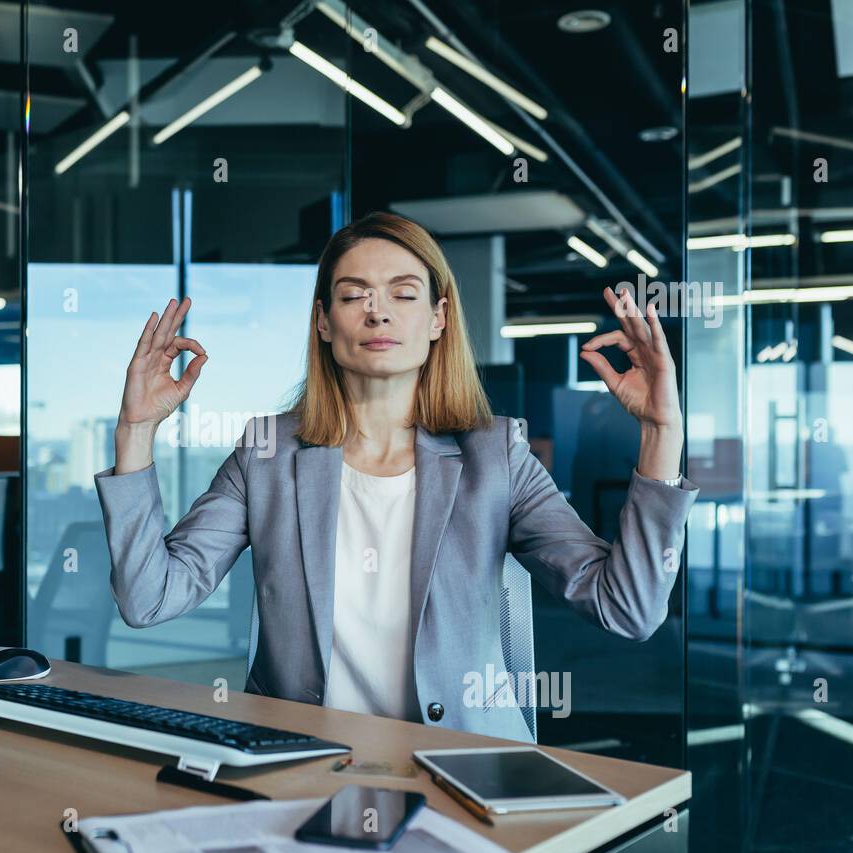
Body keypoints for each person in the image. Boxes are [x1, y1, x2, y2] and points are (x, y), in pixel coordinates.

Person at [94, 211, 698, 741]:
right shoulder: (268, 453)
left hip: (463, 772)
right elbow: (150, 600)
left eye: (403, 294)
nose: (377, 310)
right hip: (301, 764)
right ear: (325, 322)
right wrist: (136, 431)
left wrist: (660, 434)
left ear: (438, 318)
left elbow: (630, 609)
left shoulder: (496, 456)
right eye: (354, 295)